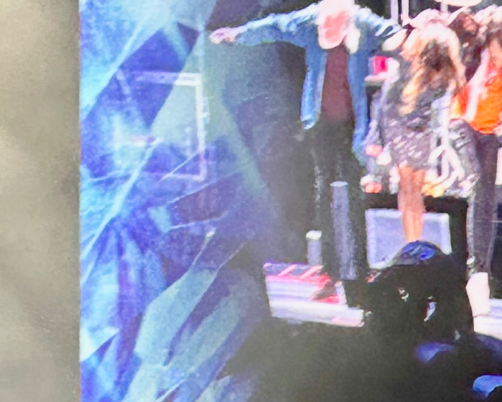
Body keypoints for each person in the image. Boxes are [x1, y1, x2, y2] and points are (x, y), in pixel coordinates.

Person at [210, 1, 402, 278]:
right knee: (324, 190)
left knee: (353, 193)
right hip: (320, 122)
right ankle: (330, 266)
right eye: (323, 23)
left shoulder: (362, 22)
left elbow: (394, 34)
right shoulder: (311, 21)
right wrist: (237, 34)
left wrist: (411, 43)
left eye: (330, 23)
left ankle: (359, 266)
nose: (324, 26)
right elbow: (276, 26)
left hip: (353, 126)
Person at [376, 19, 465, 245]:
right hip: (414, 131)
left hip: (403, 129)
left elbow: (387, 102)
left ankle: (412, 241)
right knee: (414, 190)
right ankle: (415, 241)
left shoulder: (409, 67)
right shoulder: (443, 75)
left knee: (408, 189)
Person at [455, 11, 502, 286]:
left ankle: (480, 269)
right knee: (477, 185)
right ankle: (475, 268)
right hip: (461, 124)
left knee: (485, 196)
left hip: (488, 133)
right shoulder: (473, 54)